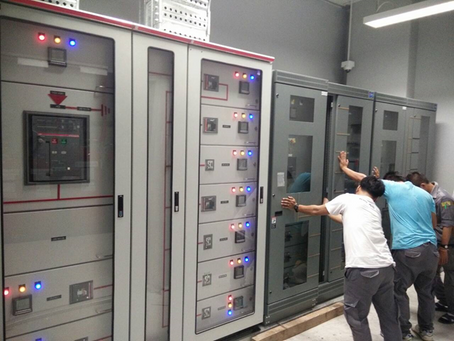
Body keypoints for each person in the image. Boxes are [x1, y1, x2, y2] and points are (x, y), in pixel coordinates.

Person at [281, 176, 400, 341]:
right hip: (386, 268)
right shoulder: (374, 209)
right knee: (389, 315)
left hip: (363, 269)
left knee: (356, 316)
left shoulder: (348, 199)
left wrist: (296, 206)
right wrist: (330, 210)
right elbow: (347, 220)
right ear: (377, 197)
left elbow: (316, 210)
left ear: (358, 188)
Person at [338, 151, 438, 341]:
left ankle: (404, 332)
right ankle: (426, 330)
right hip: (430, 250)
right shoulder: (425, 195)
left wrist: (344, 168)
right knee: (426, 292)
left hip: (409, 250)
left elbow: (363, 180)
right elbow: (434, 223)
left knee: (398, 292)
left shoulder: (395, 188)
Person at [406, 172, 454, 324]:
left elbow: (448, 225)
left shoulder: (443, 198)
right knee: (432, 277)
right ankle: (444, 301)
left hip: (446, 245)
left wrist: (444, 247)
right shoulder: (428, 196)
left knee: (450, 278)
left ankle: (453, 312)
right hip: (433, 243)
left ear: (422, 186)